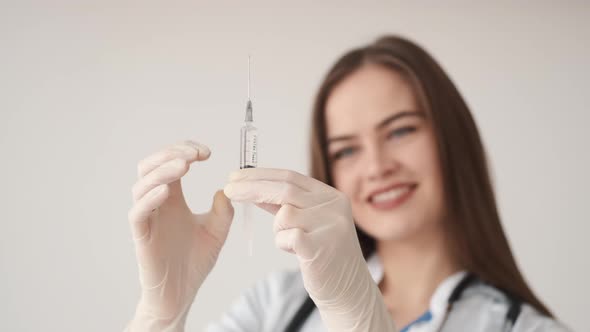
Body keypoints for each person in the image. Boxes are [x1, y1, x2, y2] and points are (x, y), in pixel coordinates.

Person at [124, 36, 570, 332]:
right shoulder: (274, 308)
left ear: (453, 139)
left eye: (400, 131)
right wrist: (164, 310)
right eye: (346, 150)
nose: (376, 166)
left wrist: (358, 316)